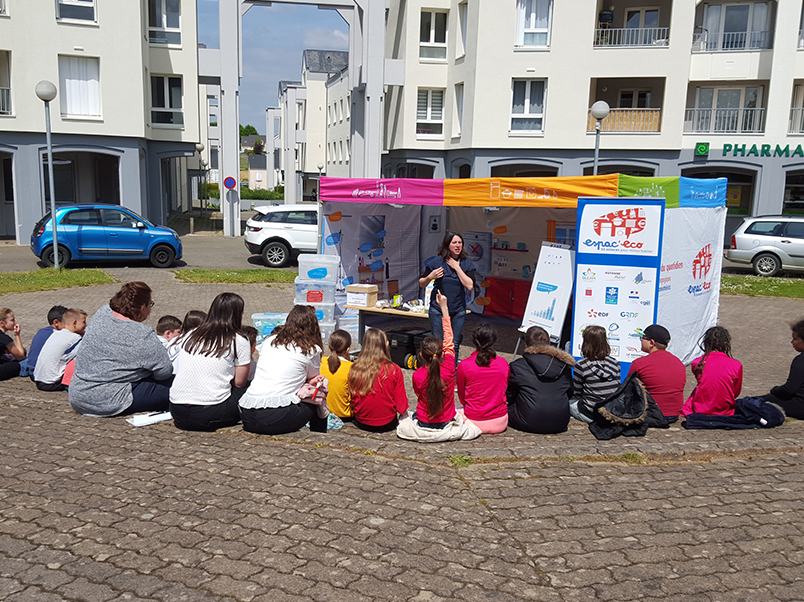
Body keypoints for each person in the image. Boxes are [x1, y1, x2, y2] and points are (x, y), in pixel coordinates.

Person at [69, 282, 173, 417]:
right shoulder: (143, 334)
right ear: (142, 308)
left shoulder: (102, 312)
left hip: (78, 395)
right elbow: (164, 372)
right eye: (150, 304)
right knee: (179, 386)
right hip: (109, 399)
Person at [239, 305, 328, 435]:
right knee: (317, 393)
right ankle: (319, 434)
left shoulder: (269, 341)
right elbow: (313, 378)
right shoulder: (310, 349)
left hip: (247, 413)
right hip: (275, 417)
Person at [169, 293, 251, 431]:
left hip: (177, 410)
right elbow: (239, 382)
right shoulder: (238, 339)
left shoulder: (191, 334)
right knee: (251, 389)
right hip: (211, 411)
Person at [418, 232, 477, 362]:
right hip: (437, 309)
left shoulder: (467, 264)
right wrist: (430, 277)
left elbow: (470, 285)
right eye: (454, 243)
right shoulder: (437, 261)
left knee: (454, 344)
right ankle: (437, 372)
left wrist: (457, 267)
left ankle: (451, 372)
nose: (457, 245)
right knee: (438, 344)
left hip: (458, 310)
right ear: (447, 245)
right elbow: (421, 283)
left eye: (460, 243)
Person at [507, 326, 575, 434]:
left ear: (526, 345)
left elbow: (510, 394)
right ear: (548, 343)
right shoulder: (564, 365)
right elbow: (570, 392)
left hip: (527, 420)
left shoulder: (518, 365)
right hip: (560, 421)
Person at [348, 328, 409, 432]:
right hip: (387, 422)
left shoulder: (355, 368)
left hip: (361, 421)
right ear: (385, 344)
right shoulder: (394, 369)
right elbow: (401, 406)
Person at [413, 292, 456, 428]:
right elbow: (449, 340)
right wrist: (444, 308)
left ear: (421, 355)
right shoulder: (449, 367)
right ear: (442, 354)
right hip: (446, 419)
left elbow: (418, 394)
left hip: (424, 420)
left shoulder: (417, 375)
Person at [456, 323, 510, 433]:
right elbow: (504, 388)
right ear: (494, 342)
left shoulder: (464, 365)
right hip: (500, 421)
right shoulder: (503, 363)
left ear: (474, 341)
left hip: (474, 421)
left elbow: (462, 397)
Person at [627, 324, 686, 421]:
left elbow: (627, 390)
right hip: (674, 414)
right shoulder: (678, 362)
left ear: (651, 342)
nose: (641, 341)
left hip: (650, 414)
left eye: (643, 338)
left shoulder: (639, 363)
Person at [683, 326, 743, 416]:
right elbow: (735, 392)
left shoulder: (697, 363)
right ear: (726, 343)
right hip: (725, 410)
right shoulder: (736, 365)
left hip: (699, 408)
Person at [570, 325, 621, 424]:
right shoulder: (615, 363)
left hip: (592, 413)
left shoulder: (581, 365)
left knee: (569, 403)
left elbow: (577, 393)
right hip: (612, 411)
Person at [33, 308, 87, 392]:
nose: (86, 325)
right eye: (84, 322)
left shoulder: (56, 333)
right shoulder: (75, 338)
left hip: (38, 379)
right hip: (51, 382)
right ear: (75, 323)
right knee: (79, 357)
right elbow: (81, 353)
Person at [763, 318, 804, 419]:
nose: (792, 342)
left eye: (795, 339)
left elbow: (789, 390)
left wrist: (775, 390)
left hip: (800, 407)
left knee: (756, 401)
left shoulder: (800, 361)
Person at [27, 305, 67, 381]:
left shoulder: (41, 331)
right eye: (67, 323)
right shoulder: (57, 335)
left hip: (32, 371)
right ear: (56, 322)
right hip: (44, 375)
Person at [320, 329, 353, 419]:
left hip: (321, 411)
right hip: (344, 414)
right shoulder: (352, 367)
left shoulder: (321, 362)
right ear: (347, 350)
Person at [0, 308, 26, 381]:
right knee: (24, 362)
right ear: (2, 323)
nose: (15, 322)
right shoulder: (5, 339)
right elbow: (20, 356)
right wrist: (17, 335)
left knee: (23, 350)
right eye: (12, 320)